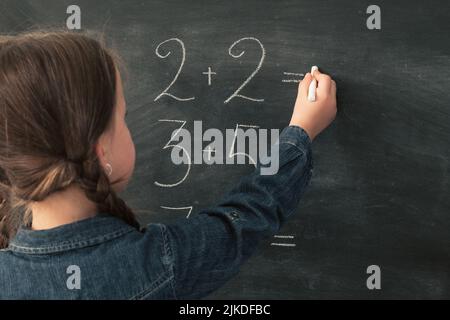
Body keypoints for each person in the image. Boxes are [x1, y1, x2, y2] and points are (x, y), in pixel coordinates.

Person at [0, 31, 336, 299]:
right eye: (124, 117)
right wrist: (301, 131)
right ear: (101, 149)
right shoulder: (159, 263)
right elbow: (248, 216)